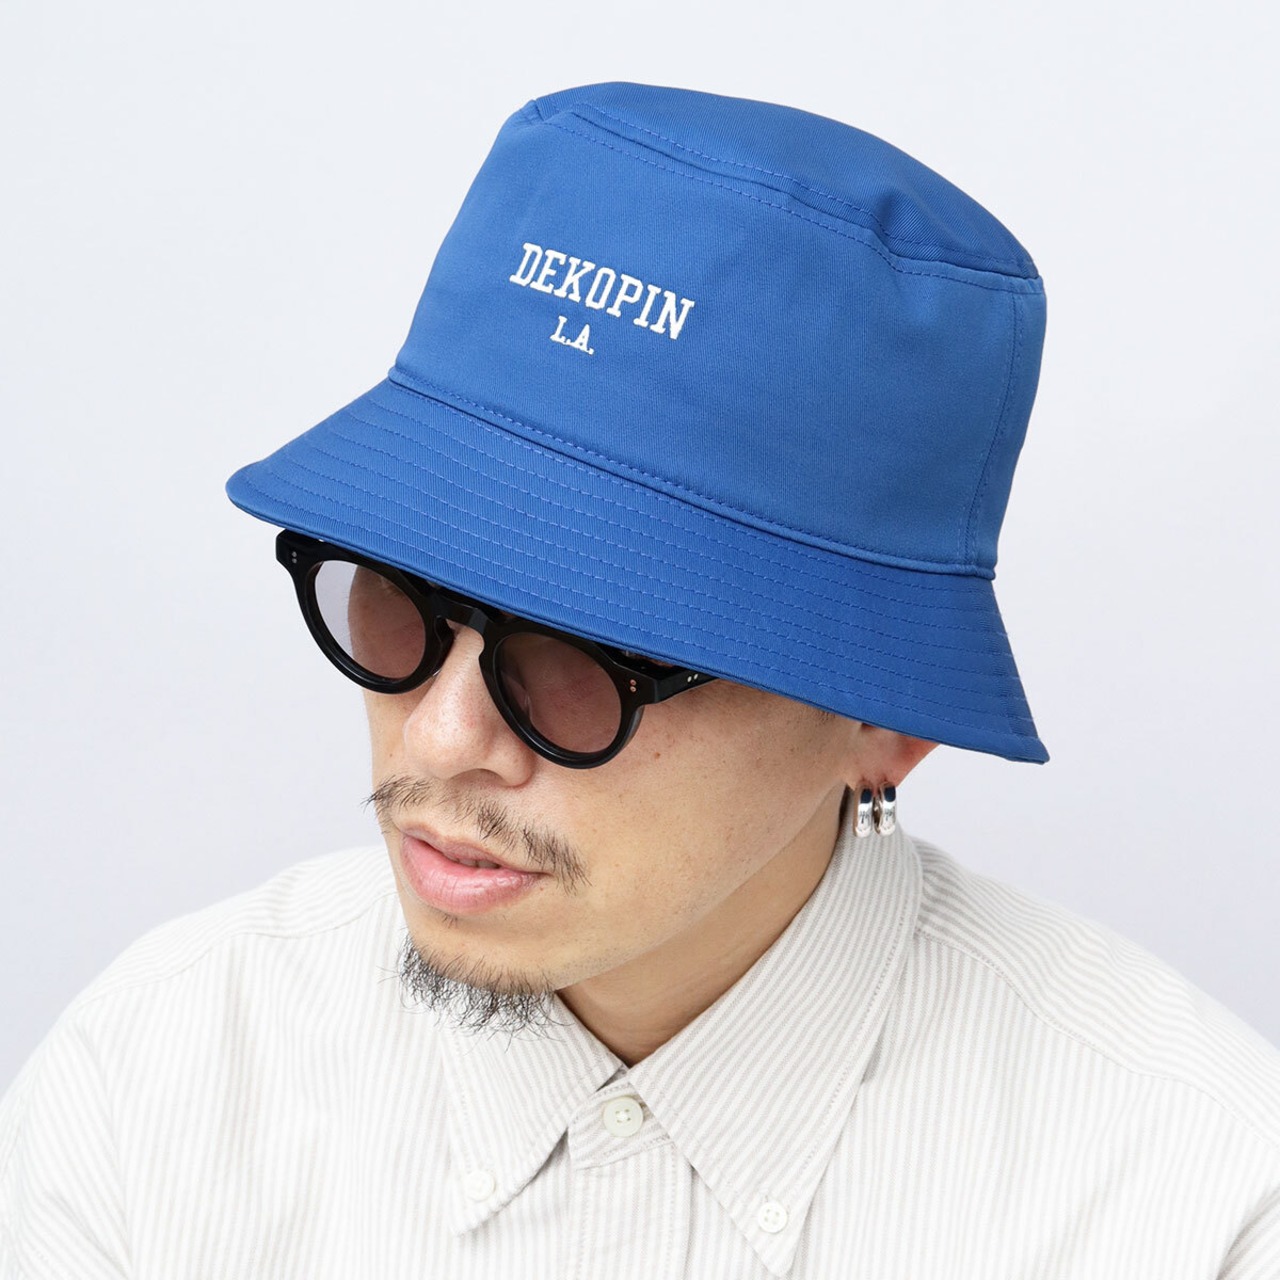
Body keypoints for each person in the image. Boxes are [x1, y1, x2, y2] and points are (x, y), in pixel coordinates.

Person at [2, 81, 1277, 1279]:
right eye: (398, 597)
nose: (438, 739)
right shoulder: (159, 1085)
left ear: (884, 722)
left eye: (579, 660)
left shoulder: (1188, 1199)